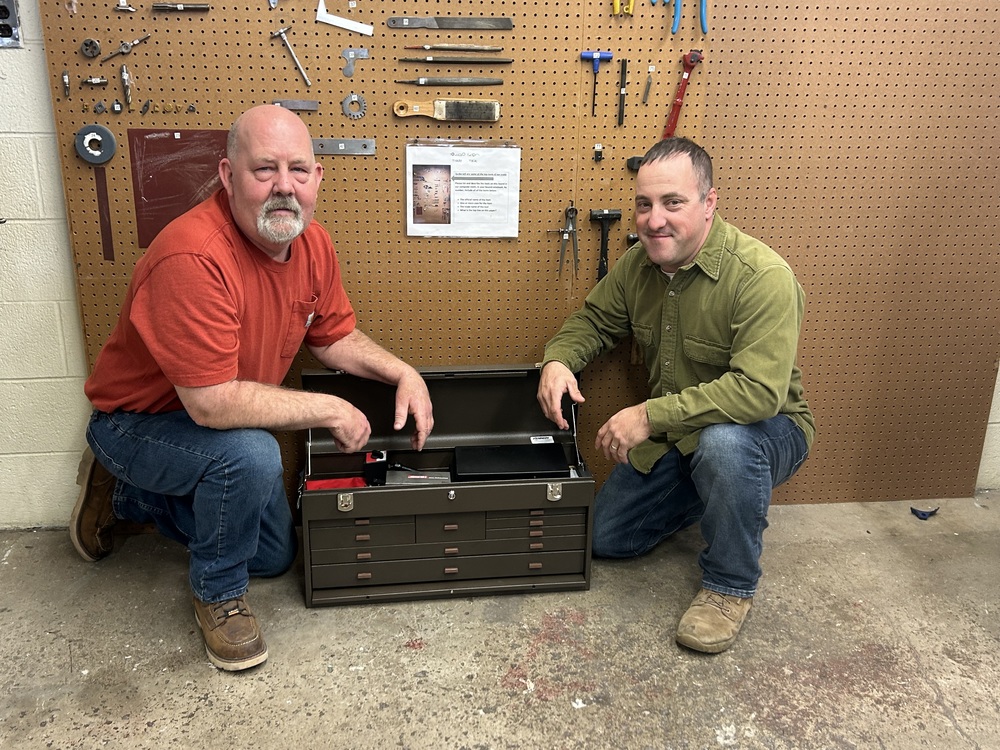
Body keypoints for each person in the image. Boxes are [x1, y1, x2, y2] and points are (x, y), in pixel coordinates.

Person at [70, 104, 434, 671]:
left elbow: (334, 336)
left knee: (272, 556)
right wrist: (330, 408)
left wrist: (404, 372)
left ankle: (127, 499)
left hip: (212, 421)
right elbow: (212, 403)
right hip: (136, 423)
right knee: (251, 455)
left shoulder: (313, 244)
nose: (283, 186)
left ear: (317, 178)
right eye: (264, 169)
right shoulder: (193, 256)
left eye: (298, 169)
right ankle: (217, 594)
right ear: (228, 175)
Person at [536, 137, 814, 654]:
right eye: (644, 204)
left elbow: (758, 393)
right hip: (679, 435)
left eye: (673, 202)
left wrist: (648, 415)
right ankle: (716, 493)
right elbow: (593, 321)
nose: (654, 220)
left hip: (767, 431)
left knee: (725, 445)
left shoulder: (762, 277)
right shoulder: (637, 266)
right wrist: (558, 360)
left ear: (709, 203)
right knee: (604, 539)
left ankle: (730, 585)